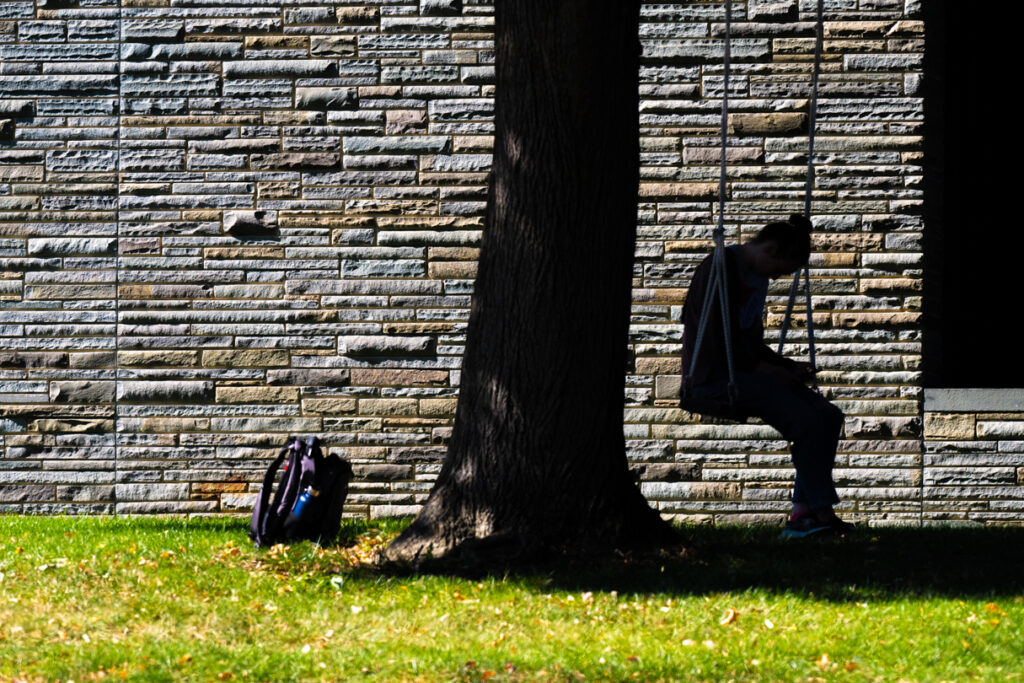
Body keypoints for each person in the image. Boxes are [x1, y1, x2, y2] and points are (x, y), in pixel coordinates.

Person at [680, 215, 849, 537]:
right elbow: (717, 338)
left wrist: (784, 366)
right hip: (714, 379)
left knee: (828, 415)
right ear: (769, 249)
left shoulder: (755, 278)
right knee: (807, 420)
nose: (777, 277)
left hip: (742, 372)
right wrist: (765, 370)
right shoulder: (721, 269)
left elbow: (748, 342)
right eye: (781, 270)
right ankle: (819, 514)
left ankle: (803, 513)